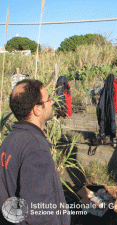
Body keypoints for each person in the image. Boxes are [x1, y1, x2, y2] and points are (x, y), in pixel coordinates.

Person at [0, 79, 70, 225]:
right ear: (37, 109)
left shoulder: (9, 140)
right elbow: (40, 214)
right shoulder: (35, 148)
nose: (52, 102)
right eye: (48, 99)